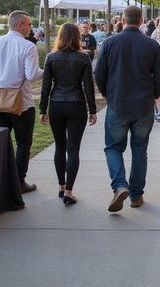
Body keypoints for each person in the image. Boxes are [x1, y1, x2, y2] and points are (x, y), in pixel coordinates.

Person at [95, 6, 160, 212]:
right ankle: (136, 194)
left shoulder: (109, 43)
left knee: (113, 147)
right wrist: (154, 94)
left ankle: (119, 185)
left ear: (123, 20)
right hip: (143, 105)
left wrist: (109, 94)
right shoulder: (151, 45)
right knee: (139, 150)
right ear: (141, 20)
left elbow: (99, 74)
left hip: (118, 103)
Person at [0, 10, 43, 194]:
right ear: (20, 24)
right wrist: (44, 71)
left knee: (1, 143)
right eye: (29, 24)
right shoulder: (28, 46)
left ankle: (0, 180)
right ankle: (18, 181)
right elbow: (31, 74)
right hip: (21, 102)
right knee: (23, 142)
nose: (31, 28)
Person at [39, 23, 97, 206]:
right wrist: (93, 110)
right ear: (77, 37)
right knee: (73, 149)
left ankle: (61, 187)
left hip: (56, 104)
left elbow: (46, 86)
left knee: (59, 147)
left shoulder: (51, 57)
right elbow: (88, 85)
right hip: (76, 104)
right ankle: (69, 191)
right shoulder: (83, 57)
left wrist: (42, 109)